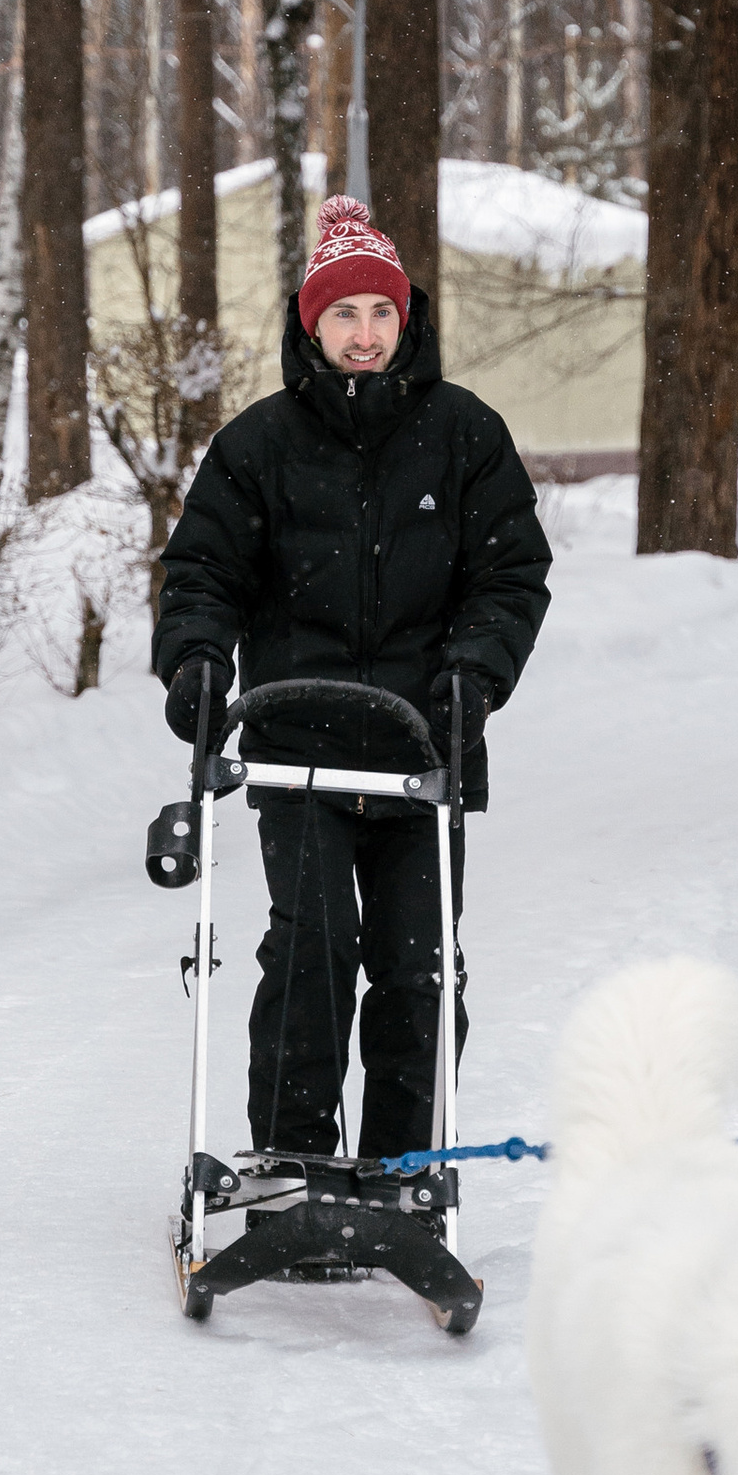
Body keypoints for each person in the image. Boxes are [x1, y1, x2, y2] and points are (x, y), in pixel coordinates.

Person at [154, 198, 552, 1166]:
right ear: (311, 324)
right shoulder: (258, 446)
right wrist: (198, 662)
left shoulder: (464, 434)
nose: (365, 334)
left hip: (425, 750)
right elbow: (203, 573)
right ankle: (294, 1165)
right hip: (299, 751)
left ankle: (403, 1170)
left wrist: (474, 676)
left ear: (405, 319)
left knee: (417, 972)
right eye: (345, 315)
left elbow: (509, 573)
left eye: (382, 313)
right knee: (311, 953)